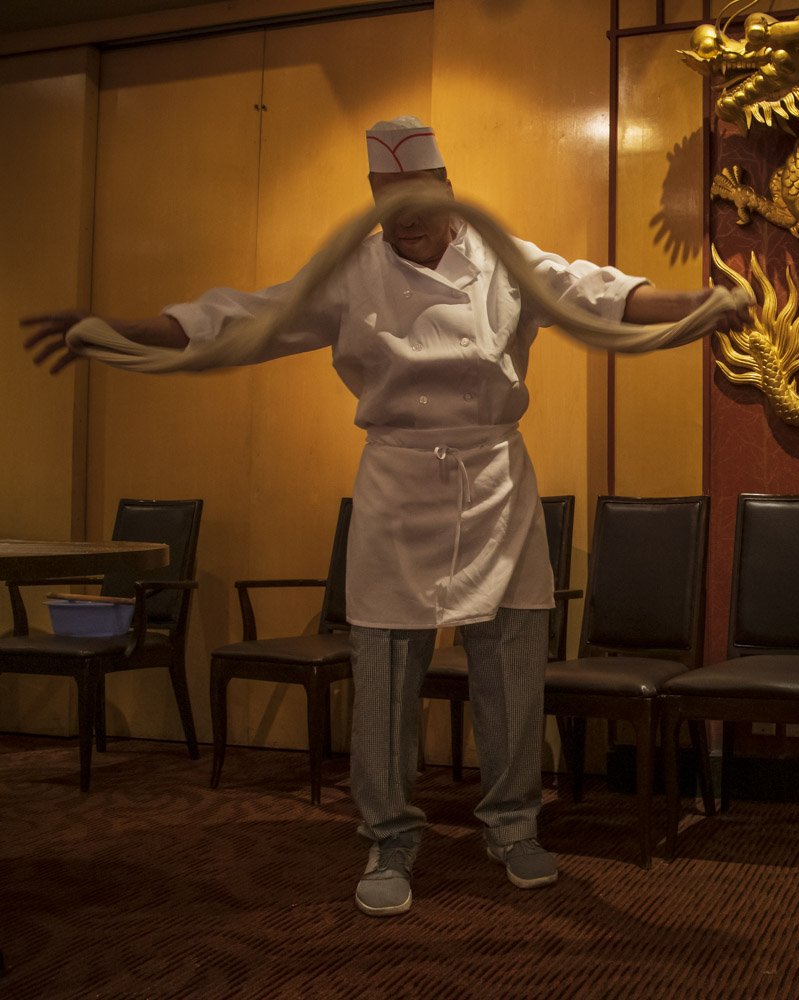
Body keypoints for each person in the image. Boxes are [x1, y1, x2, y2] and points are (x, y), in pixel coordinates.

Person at [23, 115, 747, 918]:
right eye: (387, 195)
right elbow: (238, 320)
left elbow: (600, 293)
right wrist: (117, 331)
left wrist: (701, 304)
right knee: (387, 669)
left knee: (510, 663)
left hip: (495, 475)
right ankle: (390, 835)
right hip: (398, 482)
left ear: (448, 186)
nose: (406, 211)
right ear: (371, 198)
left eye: (420, 193)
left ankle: (513, 825)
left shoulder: (504, 260)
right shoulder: (349, 273)